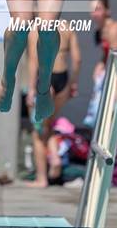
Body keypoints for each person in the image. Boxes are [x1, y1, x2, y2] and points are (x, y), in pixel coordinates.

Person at [24, 20, 81, 187]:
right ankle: (55, 158)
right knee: (49, 125)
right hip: (63, 79)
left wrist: (31, 88)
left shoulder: (36, 28)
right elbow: (77, 60)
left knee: (38, 132)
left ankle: (42, 178)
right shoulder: (67, 26)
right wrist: (72, 83)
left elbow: (34, 60)